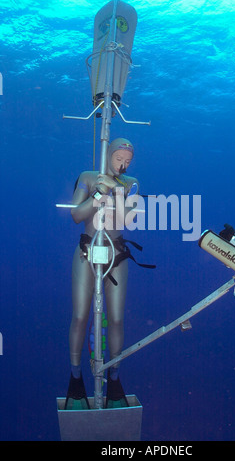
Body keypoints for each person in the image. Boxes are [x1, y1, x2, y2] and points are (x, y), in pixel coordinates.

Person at [65, 137, 139, 410]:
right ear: (108, 155)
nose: (123, 164)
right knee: (81, 316)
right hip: (86, 252)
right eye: (119, 158)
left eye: (128, 161)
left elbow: (126, 221)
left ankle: (115, 378)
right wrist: (98, 194)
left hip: (117, 255)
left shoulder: (131, 183)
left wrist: (115, 192)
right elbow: (76, 216)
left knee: (117, 319)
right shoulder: (87, 177)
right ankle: (75, 379)